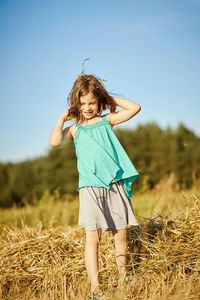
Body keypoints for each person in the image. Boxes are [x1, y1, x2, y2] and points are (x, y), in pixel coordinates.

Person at [49, 73, 141, 299]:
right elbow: (54, 142)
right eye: (82, 103)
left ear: (98, 101)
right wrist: (63, 117)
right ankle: (95, 287)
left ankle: (123, 278)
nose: (87, 107)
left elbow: (135, 108)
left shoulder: (106, 120)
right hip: (89, 188)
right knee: (93, 238)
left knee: (119, 234)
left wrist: (109, 98)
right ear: (75, 104)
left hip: (113, 184)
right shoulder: (75, 129)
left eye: (92, 102)